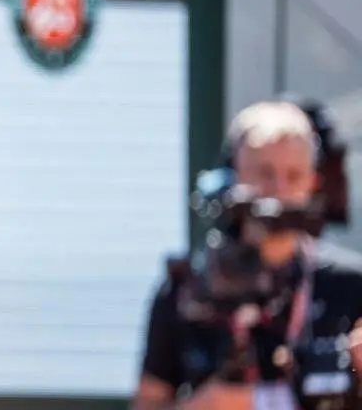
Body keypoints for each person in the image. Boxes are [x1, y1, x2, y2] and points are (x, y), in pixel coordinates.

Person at [132, 101, 362, 410]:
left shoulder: (350, 286)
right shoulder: (188, 289)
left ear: (313, 183)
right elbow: (148, 400)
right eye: (264, 173)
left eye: (293, 176)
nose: (278, 191)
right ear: (232, 177)